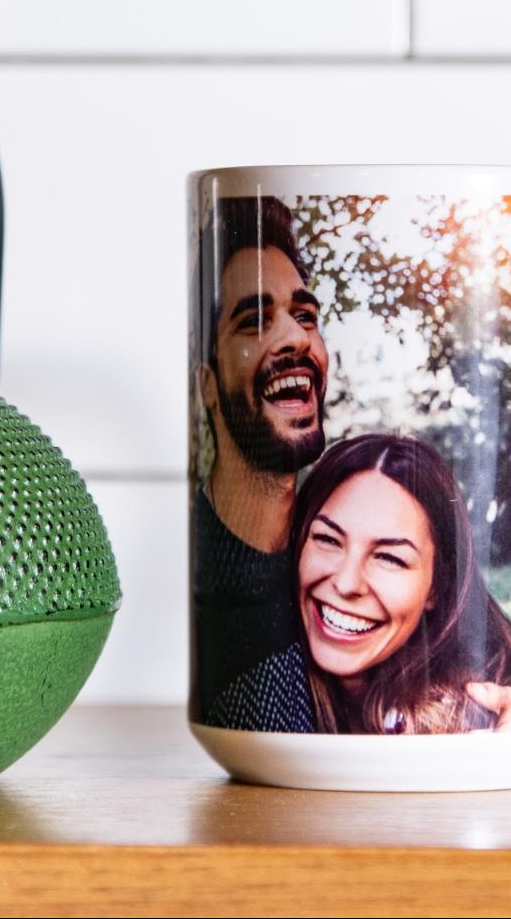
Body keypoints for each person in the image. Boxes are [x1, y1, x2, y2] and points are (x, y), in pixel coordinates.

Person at [210, 434, 511, 735]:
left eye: (389, 558)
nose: (347, 583)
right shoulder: (265, 690)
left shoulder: (468, 703)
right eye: (328, 539)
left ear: (436, 587)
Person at [190, 196, 331, 723]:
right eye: (254, 321)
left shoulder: (351, 529)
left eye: (305, 316)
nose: (296, 337)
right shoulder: (199, 583)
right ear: (208, 383)